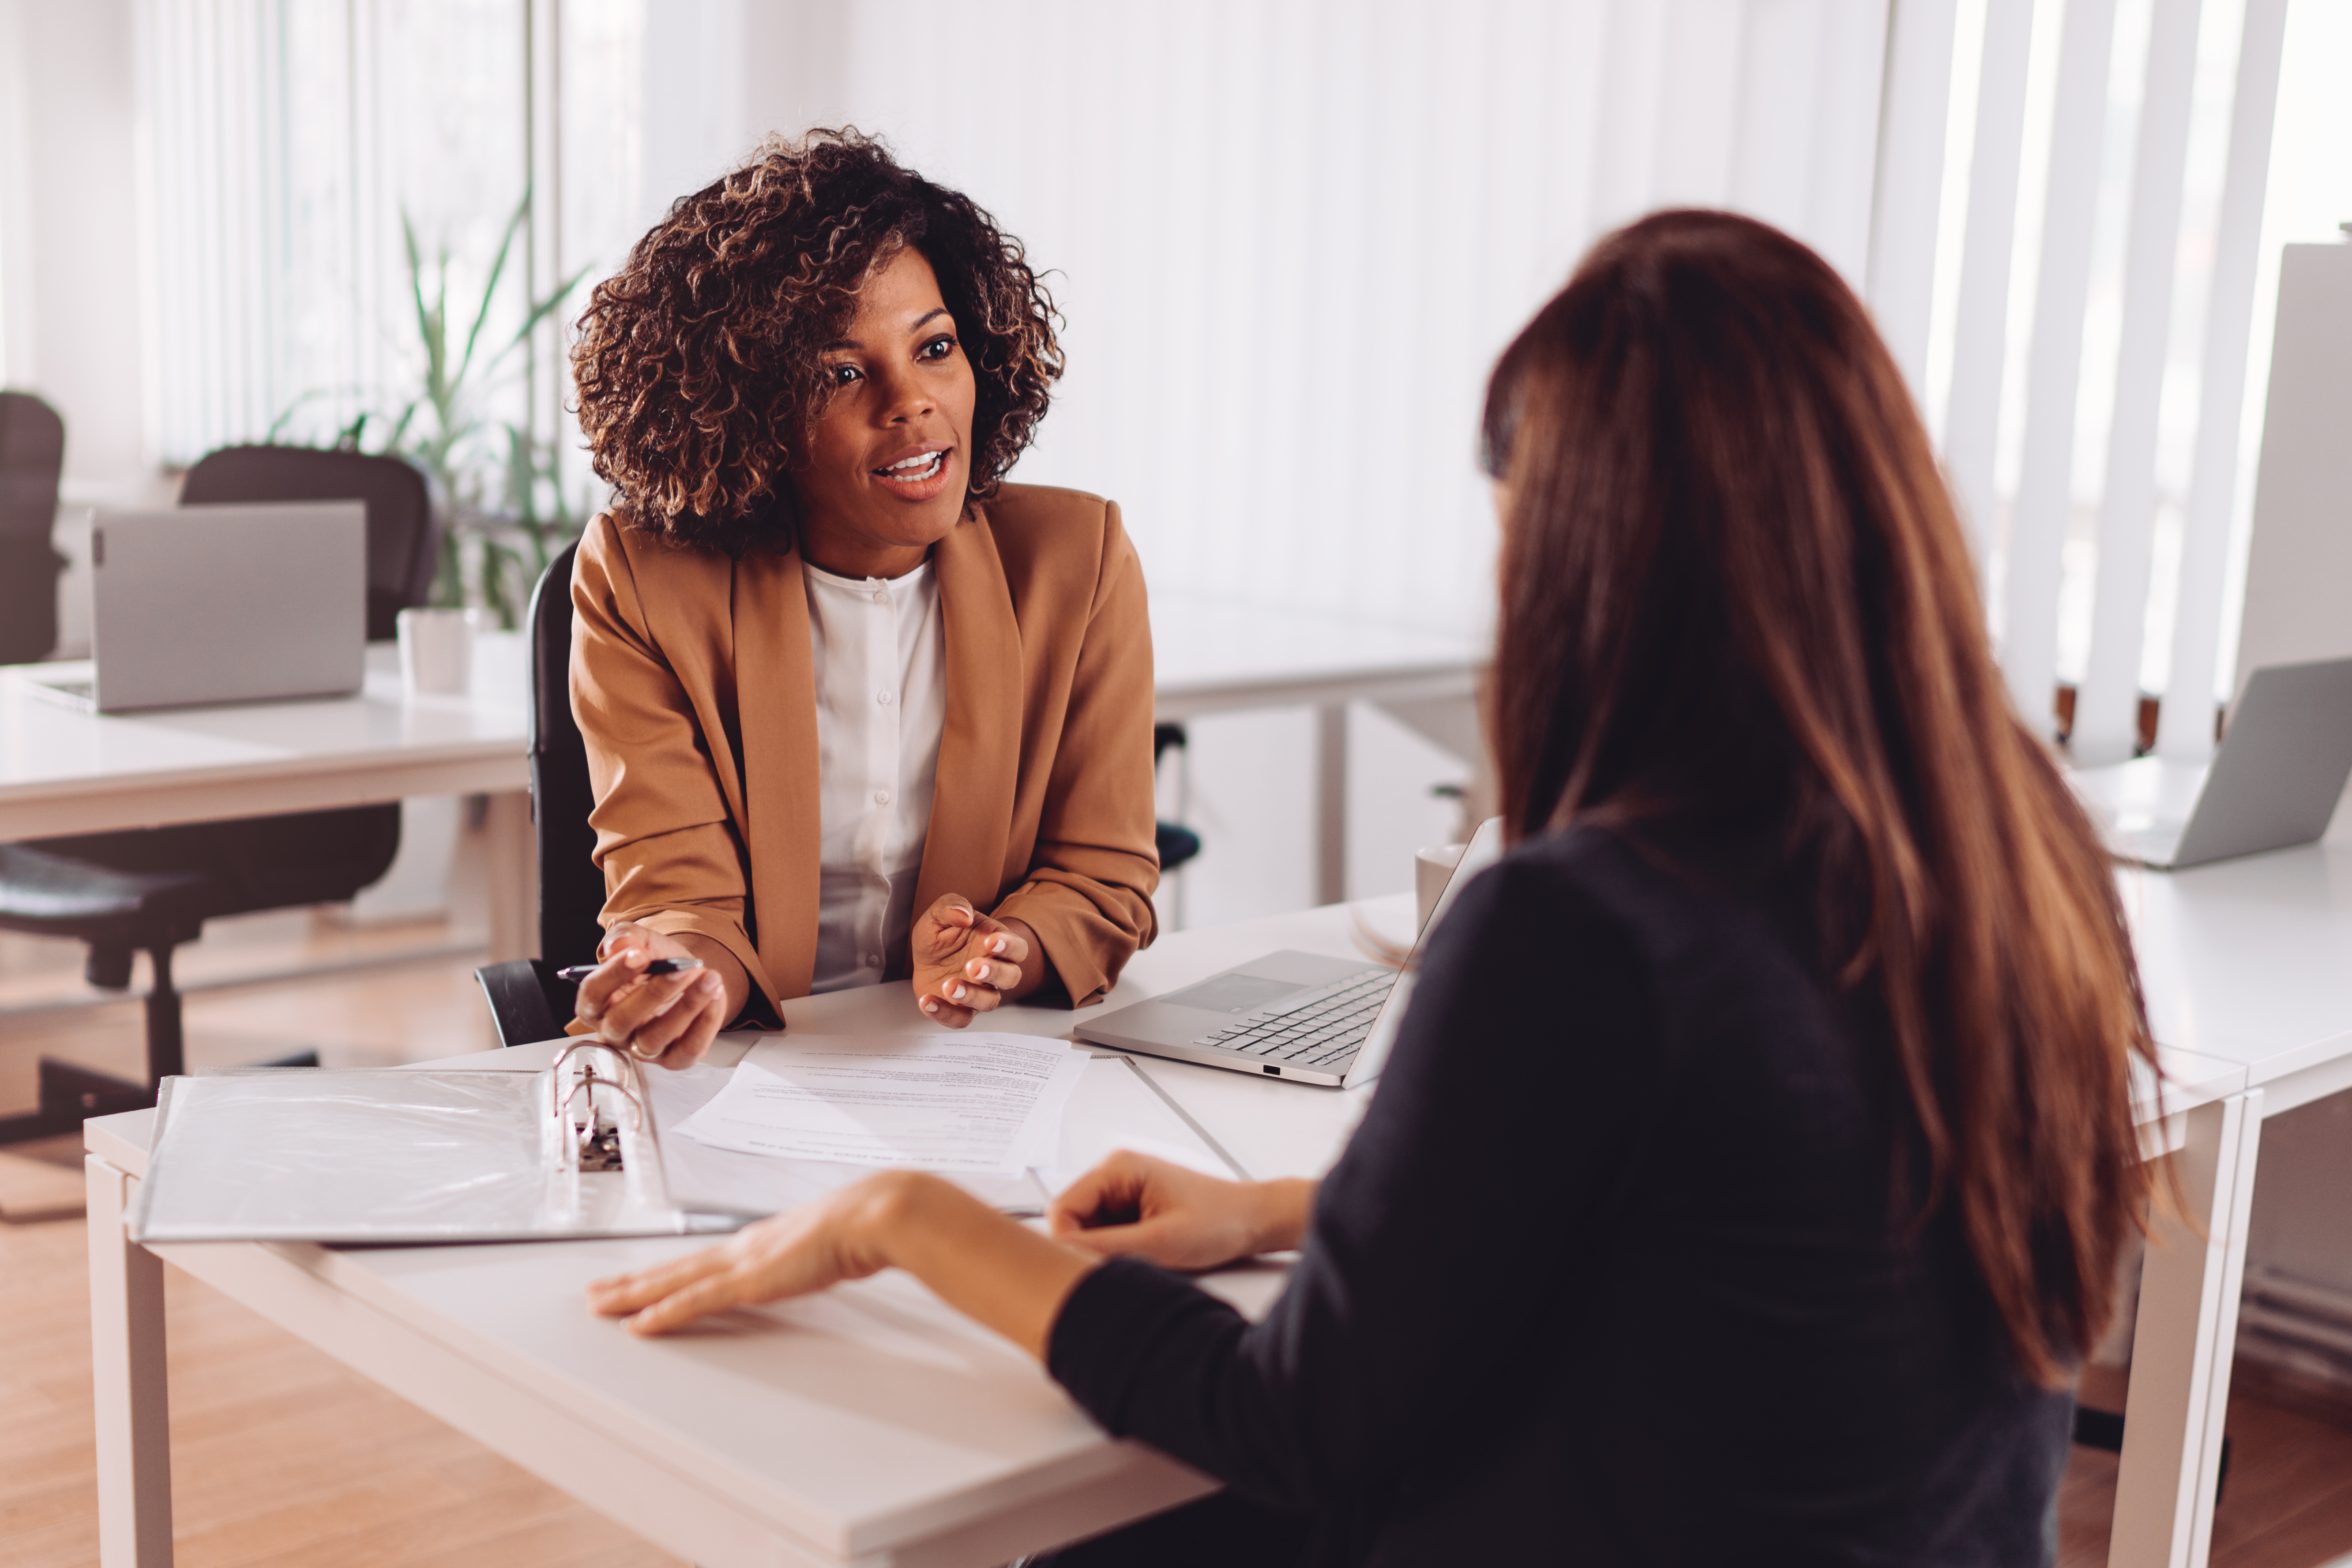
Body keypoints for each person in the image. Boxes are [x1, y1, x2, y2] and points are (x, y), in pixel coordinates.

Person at [582, 211, 2157, 1565]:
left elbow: (1296, 1424)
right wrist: (1284, 1208)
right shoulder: (2013, 849)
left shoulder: (1579, 924)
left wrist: (903, 1216)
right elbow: (1726, 1207)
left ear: (1589, 559)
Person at [561, 131, 1158, 1065]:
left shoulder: (1076, 562)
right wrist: (682, 972)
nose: (910, 401)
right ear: (749, 412)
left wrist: (1006, 951)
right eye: (841, 373)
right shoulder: (644, 578)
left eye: (934, 348)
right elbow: (680, 891)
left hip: (980, 1068)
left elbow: (1102, 873)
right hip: (754, 1066)